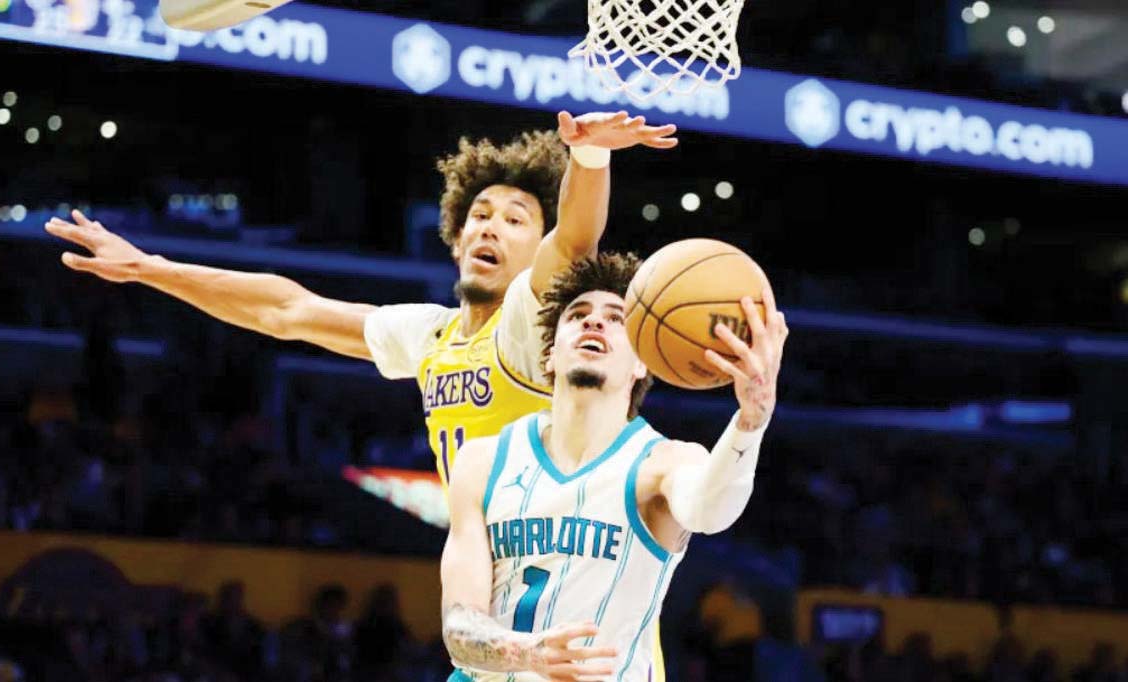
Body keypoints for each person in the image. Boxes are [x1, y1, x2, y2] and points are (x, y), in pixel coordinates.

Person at [45, 111, 676, 488]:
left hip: (572, 557)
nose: (490, 226)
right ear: (456, 240)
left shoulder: (527, 326)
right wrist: (151, 268)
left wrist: (589, 157)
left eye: (515, 220)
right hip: (490, 578)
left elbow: (575, 239)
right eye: (480, 214)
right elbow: (286, 310)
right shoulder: (430, 335)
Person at [439, 253, 787, 681]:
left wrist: (750, 424)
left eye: (615, 319)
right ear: (549, 355)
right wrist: (527, 653)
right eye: (578, 314)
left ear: (643, 361)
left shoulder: (663, 464)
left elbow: (711, 512)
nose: (593, 323)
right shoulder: (483, 460)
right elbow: (458, 630)